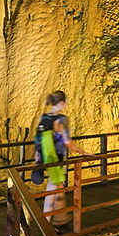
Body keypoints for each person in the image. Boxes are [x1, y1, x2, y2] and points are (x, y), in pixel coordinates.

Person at [35, 91, 91, 226]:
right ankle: (45, 225)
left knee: (59, 186)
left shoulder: (44, 117)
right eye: (65, 102)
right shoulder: (62, 119)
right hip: (57, 158)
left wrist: (38, 160)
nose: (65, 104)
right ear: (61, 103)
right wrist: (83, 152)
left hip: (46, 158)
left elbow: (37, 140)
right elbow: (68, 142)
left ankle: (61, 217)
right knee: (51, 191)